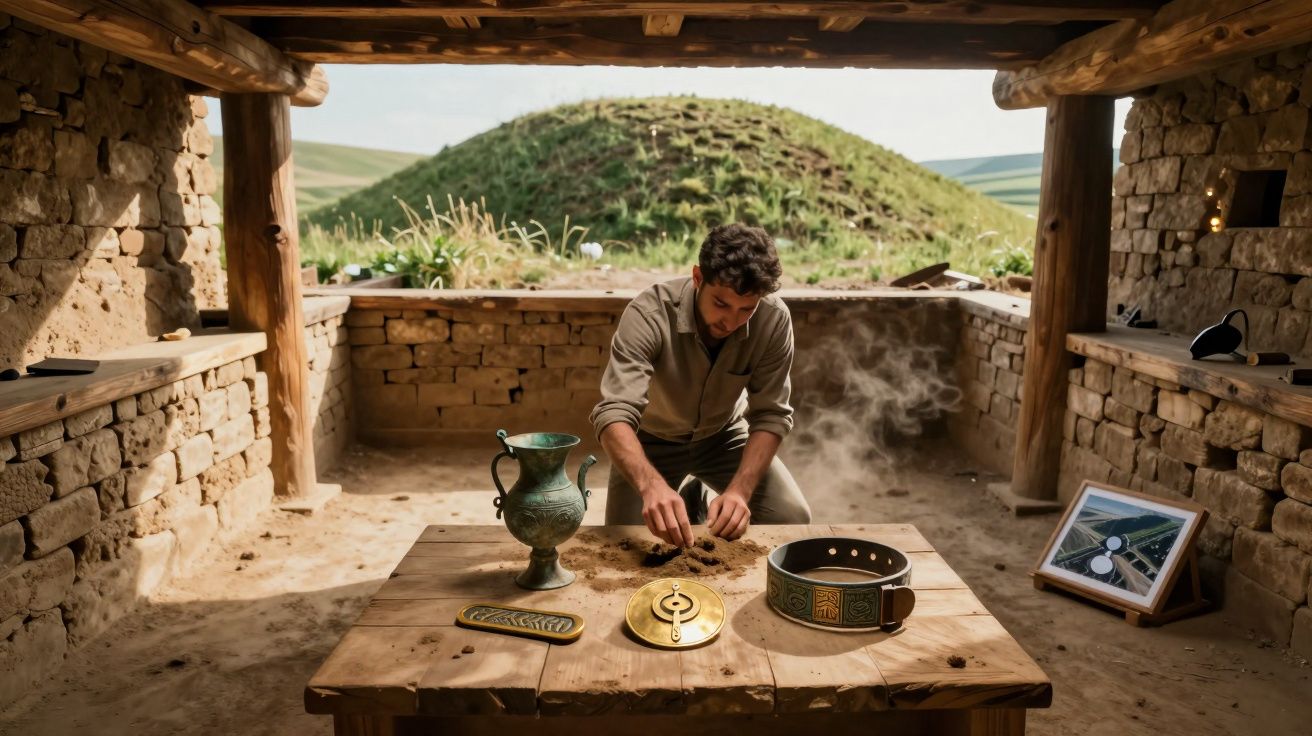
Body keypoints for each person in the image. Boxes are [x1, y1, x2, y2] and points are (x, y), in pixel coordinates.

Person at [590, 224, 812, 548]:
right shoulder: (648, 313)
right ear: (697, 277)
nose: (731, 321)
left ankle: (697, 500)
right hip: (652, 441)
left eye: (746, 309)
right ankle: (684, 495)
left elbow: (771, 414)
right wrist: (651, 486)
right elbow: (613, 415)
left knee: (792, 516)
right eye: (720, 304)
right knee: (627, 543)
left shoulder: (773, 318)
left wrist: (740, 492)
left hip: (725, 436)